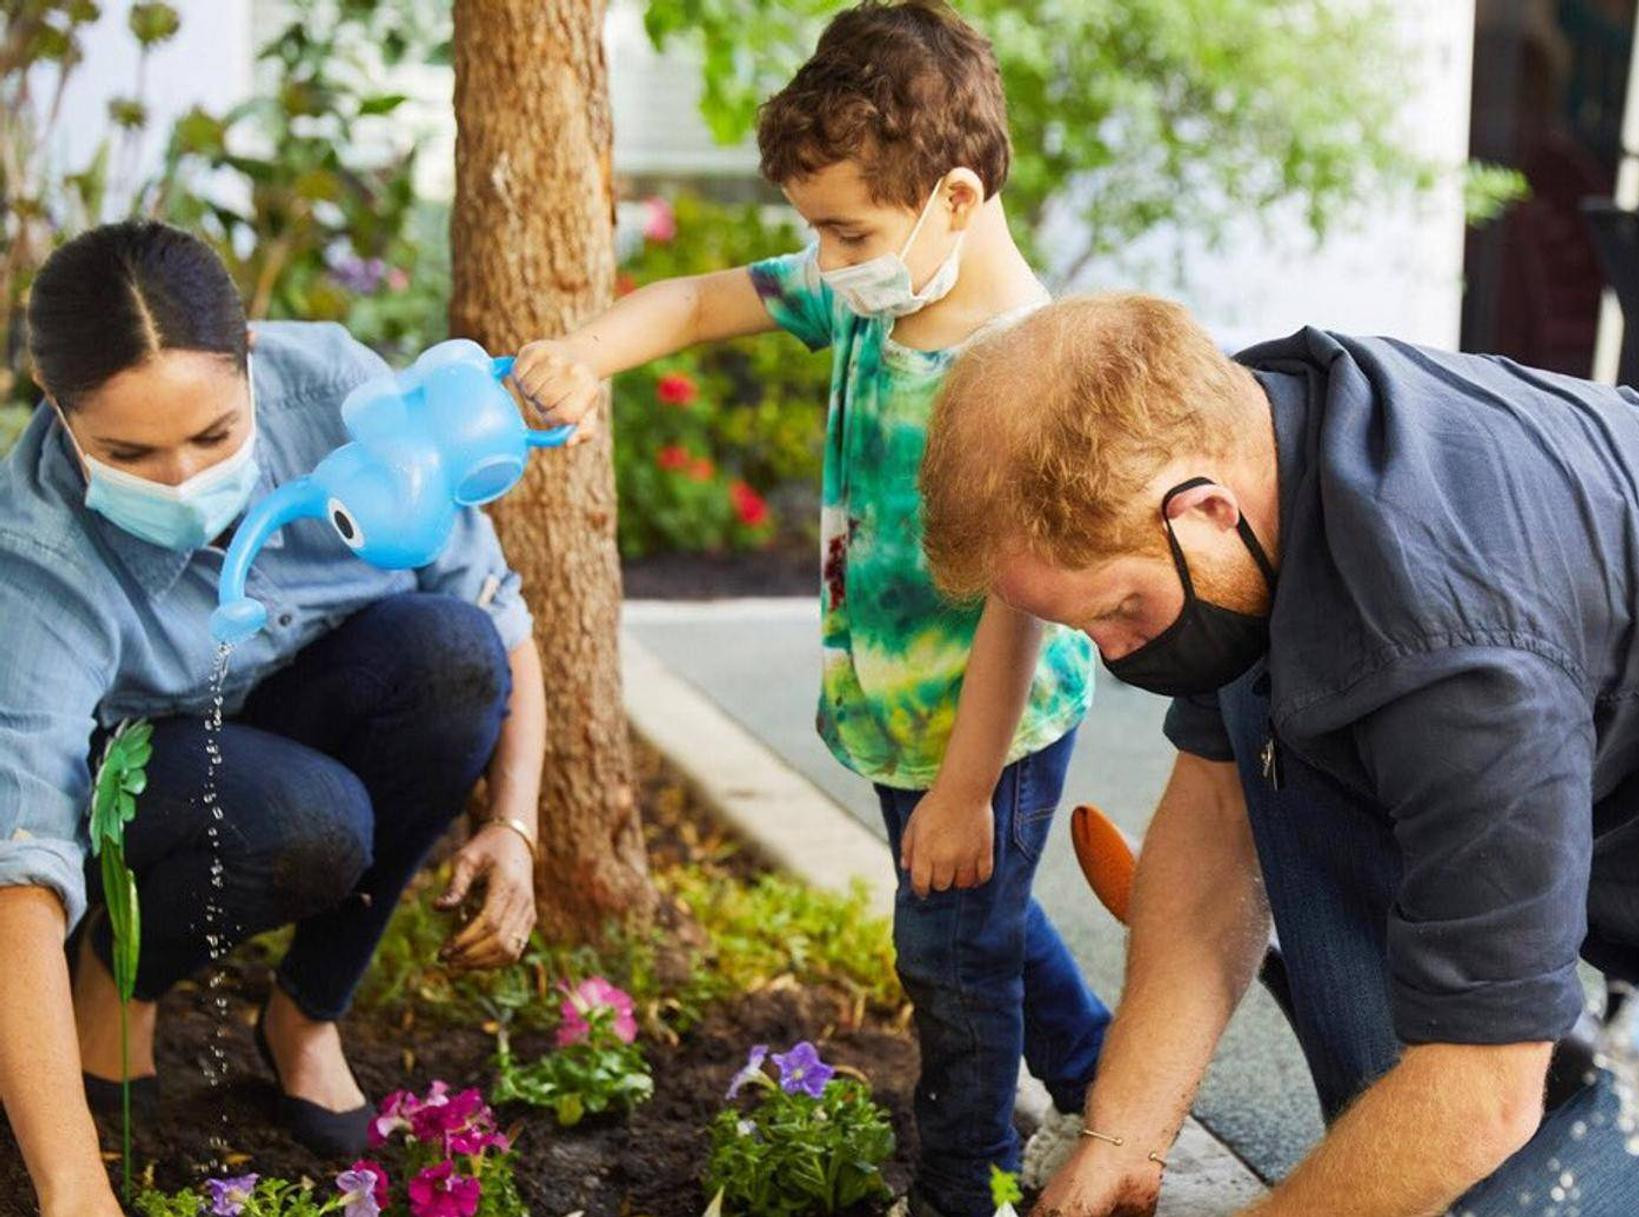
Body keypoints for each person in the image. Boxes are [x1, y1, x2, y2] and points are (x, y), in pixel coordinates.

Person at [918, 292, 1639, 1216]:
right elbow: (1217, 815)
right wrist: (1121, 1136)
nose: (1115, 652)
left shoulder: (1453, 641)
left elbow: (1483, 1090)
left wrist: (1469, 1095)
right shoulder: (1260, 439)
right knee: (1268, 702)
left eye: (1119, 610)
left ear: (1204, 509)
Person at [508, 3, 1108, 1210]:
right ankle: (1104, 1072)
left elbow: (1020, 607)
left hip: (988, 729)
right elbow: (690, 304)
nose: (825, 259)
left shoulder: (1022, 367)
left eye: (845, 232)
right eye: (816, 232)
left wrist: (964, 789)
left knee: (947, 955)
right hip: (896, 713)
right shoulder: (871, 290)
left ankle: (967, 1182)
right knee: (971, 916)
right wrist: (581, 353)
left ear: (953, 197)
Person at [0, 221, 547, 1217]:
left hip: (308, 702)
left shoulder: (340, 397)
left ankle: (306, 1010)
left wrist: (514, 825)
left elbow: (497, 614)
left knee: (452, 653)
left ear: (249, 353)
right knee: (308, 820)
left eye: (213, 436)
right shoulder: (37, 556)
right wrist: (73, 1187)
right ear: (54, 398)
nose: (181, 481)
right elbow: (20, 865)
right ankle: (119, 973)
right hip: (148, 777)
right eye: (128, 451)